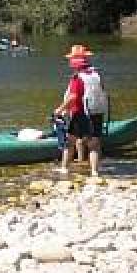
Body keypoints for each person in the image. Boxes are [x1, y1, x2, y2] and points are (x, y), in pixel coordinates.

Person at [53, 44, 108, 177]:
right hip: (96, 112)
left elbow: (73, 97)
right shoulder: (96, 75)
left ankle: (64, 168)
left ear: (74, 62)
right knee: (94, 144)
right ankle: (95, 172)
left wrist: (60, 109)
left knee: (69, 142)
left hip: (80, 114)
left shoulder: (77, 78)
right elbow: (102, 90)